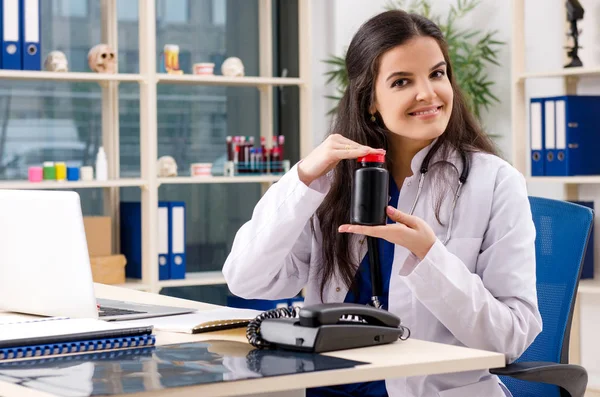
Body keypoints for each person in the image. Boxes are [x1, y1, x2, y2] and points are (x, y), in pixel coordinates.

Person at [222, 9, 542, 397]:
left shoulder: (494, 182)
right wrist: (302, 178)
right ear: (370, 101)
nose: (427, 93)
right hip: (329, 389)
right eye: (402, 81)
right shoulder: (334, 182)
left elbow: (511, 338)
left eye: (437, 74)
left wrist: (429, 256)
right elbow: (246, 278)